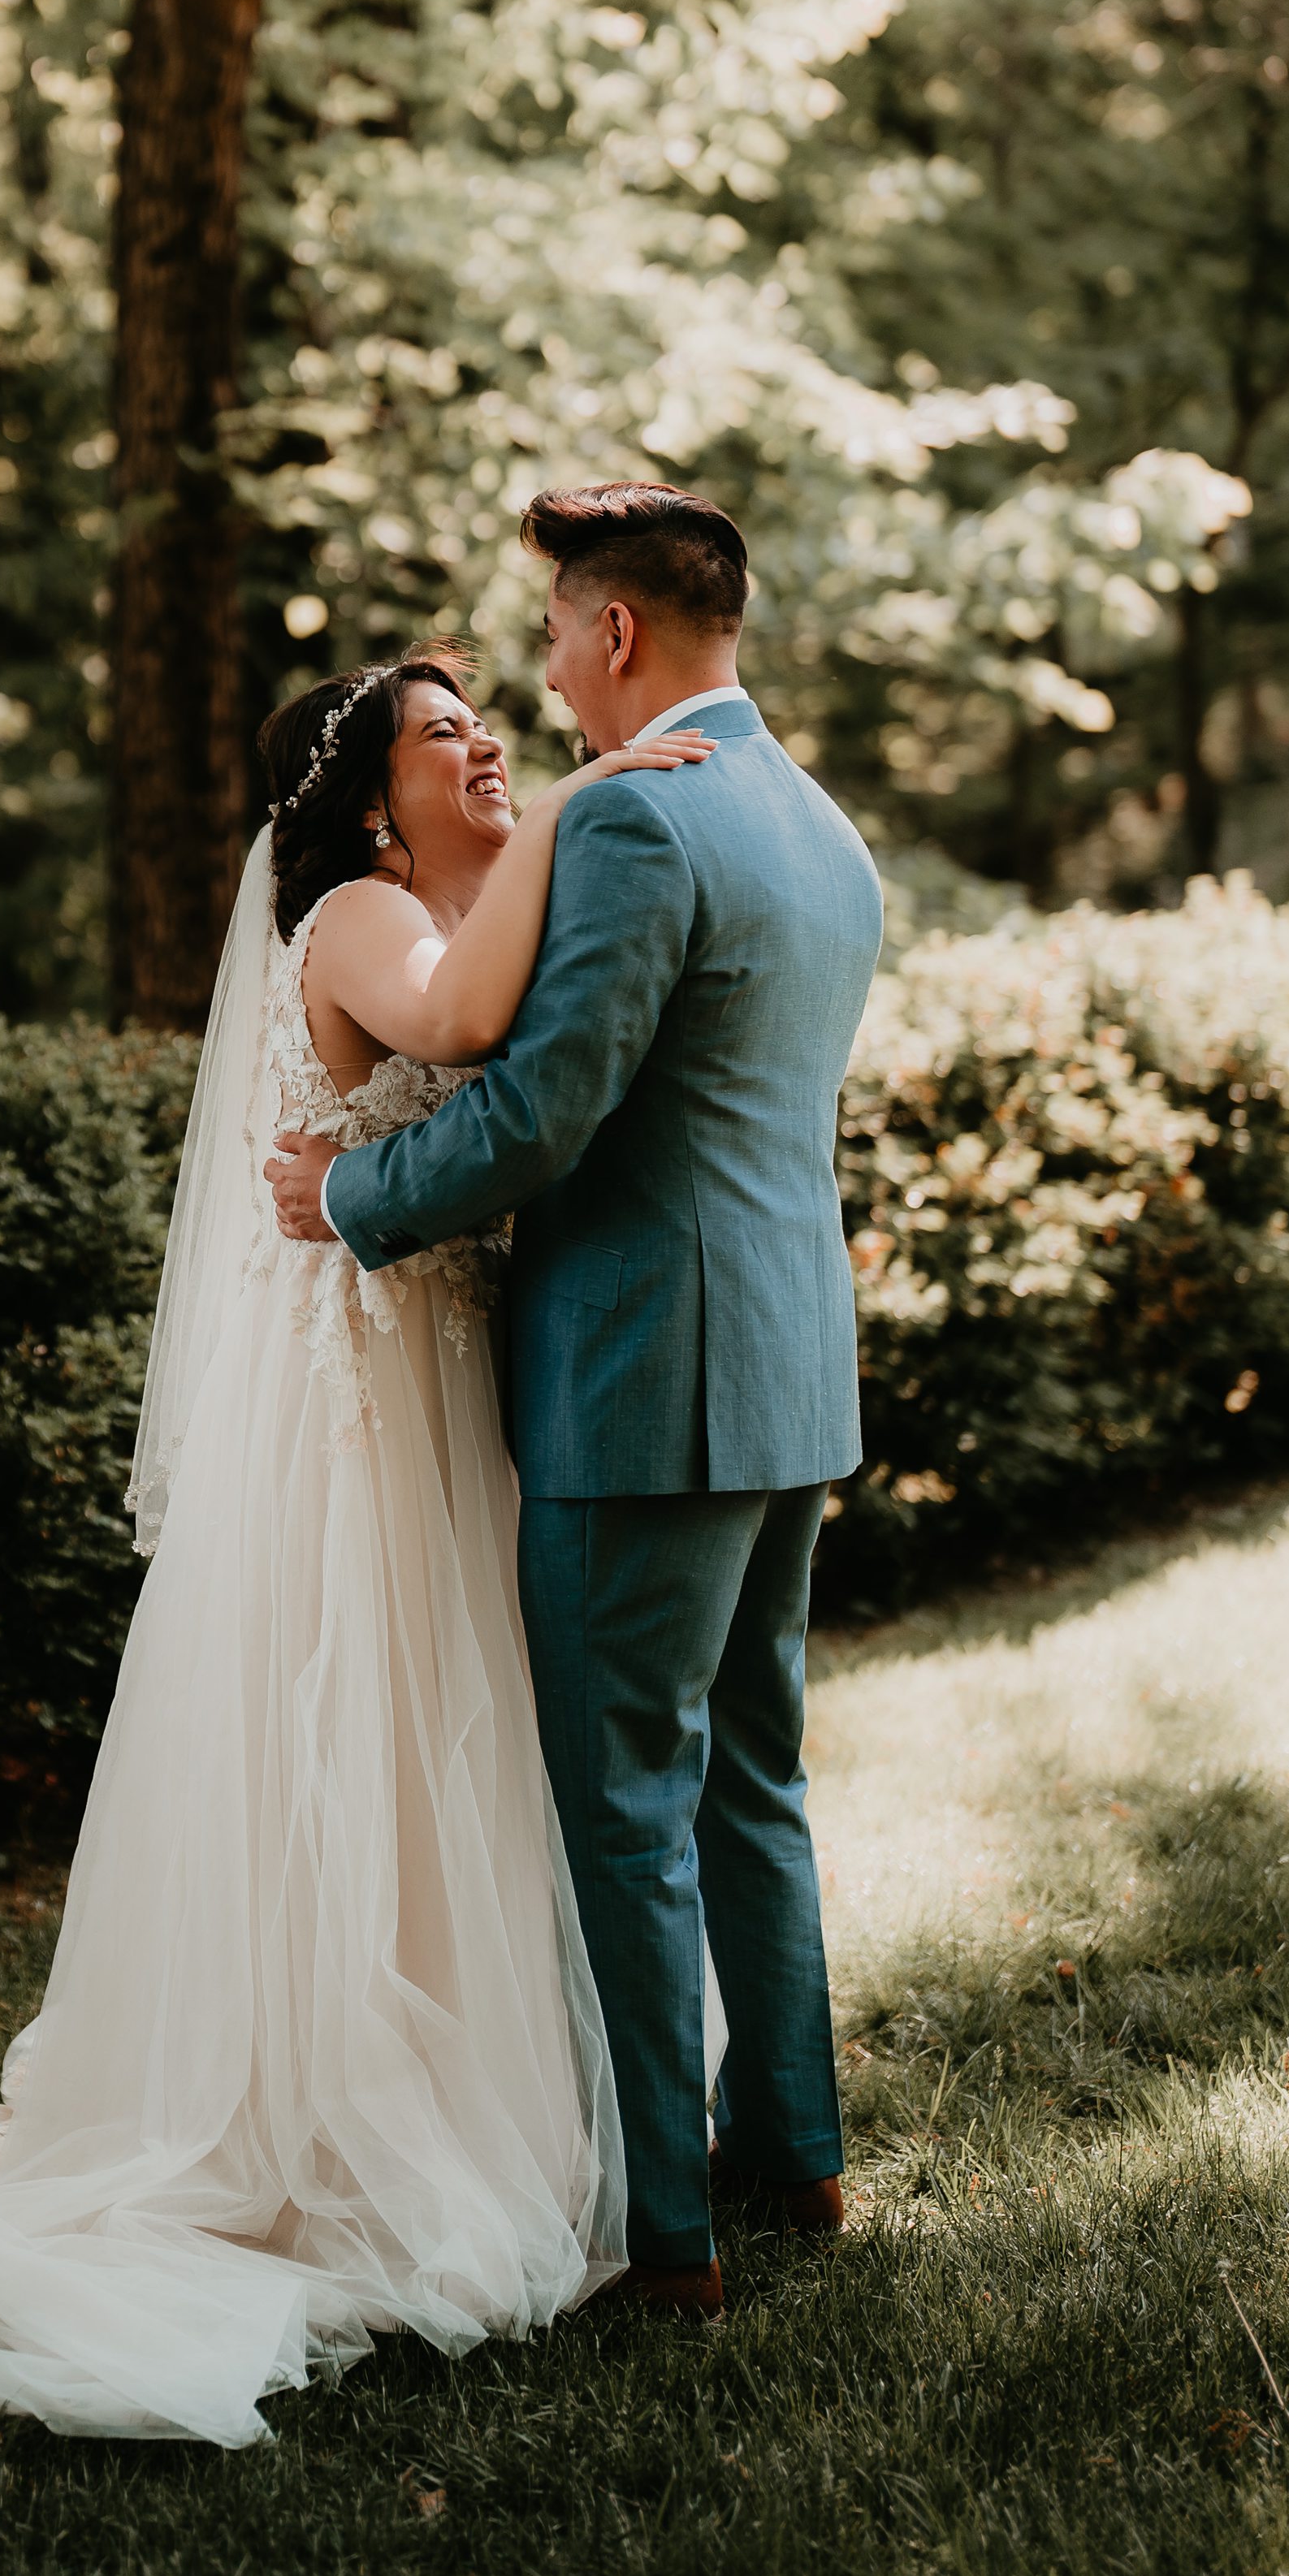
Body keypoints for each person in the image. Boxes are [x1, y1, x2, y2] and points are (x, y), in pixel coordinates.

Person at [0, 642, 712, 2444]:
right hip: (359, 1409)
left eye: (490, 718)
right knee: (368, 1721)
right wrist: (593, 796)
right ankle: (334, 2115)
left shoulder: (446, 894)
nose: (489, 740)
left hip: (431, 1378)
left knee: (454, 1737)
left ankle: (495, 2087)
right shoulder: (355, 911)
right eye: (446, 731)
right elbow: (464, 1036)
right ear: (361, 795)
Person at [267, 482, 885, 2319]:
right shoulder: (820, 828)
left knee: (622, 1801)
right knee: (752, 1785)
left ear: (617, 633)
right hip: (788, 1373)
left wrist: (351, 1198)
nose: (542, 682)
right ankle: (797, 2152)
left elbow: (542, 1112)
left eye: (548, 639)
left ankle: (669, 2236)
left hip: (645, 1382)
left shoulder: (639, 828)